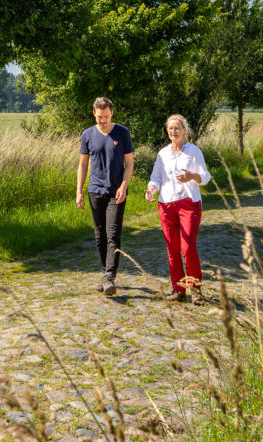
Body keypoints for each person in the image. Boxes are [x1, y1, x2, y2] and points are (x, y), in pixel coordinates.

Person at [145, 114, 210, 303]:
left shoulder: (193, 151)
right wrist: (151, 190)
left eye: (177, 128)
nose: (173, 131)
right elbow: (156, 178)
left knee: (187, 248)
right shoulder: (162, 154)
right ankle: (178, 290)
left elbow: (205, 177)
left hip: (189, 204)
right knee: (172, 249)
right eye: (170, 128)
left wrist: (192, 176)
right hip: (166, 205)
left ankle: (195, 290)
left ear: (184, 131)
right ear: (167, 131)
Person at [76, 97, 134, 297]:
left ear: (112, 113)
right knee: (100, 235)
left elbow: (129, 163)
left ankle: (109, 276)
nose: (103, 120)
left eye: (106, 116)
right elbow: (83, 164)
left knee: (113, 234)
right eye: (100, 117)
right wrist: (79, 191)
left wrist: (124, 186)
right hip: (95, 191)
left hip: (116, 193)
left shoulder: (122, 133)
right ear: (94, 114)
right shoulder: (87, 135)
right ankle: (105, 275)